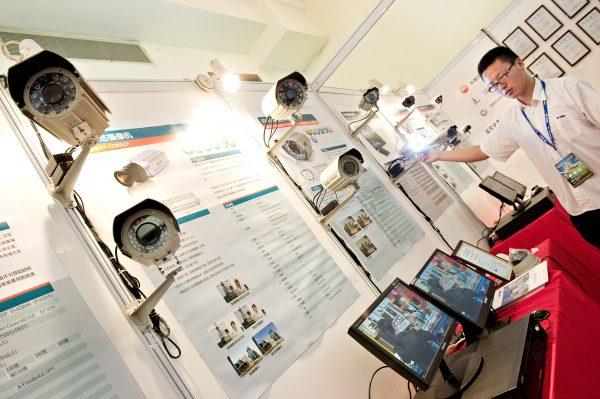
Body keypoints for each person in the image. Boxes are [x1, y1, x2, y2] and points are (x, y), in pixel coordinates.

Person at [419, 46, 600, 248]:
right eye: (494, 86)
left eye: (503, 76)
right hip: (582, 211)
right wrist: (439, 155)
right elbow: (483, 150)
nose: (502, 87)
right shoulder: (512, 119)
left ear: (520, 64)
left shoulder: (568, 89)